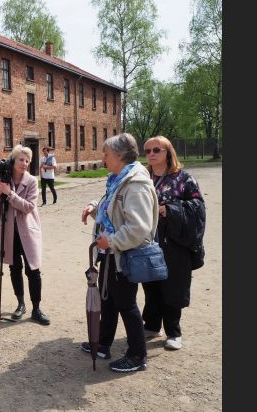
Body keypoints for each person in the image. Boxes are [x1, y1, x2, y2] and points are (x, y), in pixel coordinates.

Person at [80, 133, 158, 373]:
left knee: (125, 303)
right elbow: (113, 211)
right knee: (108, 300)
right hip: (111, 253)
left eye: (106, 154)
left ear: (120, 155)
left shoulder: (136, 184)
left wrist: (111, 241)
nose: (103, 158)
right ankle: (103, 343)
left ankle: (137, 355)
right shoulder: (119, 179)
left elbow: (139, 228)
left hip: (124, 254)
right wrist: (94, 207)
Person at [141, 136, 205, 350]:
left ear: (168, 153)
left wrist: (171, 210)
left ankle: (173, 332)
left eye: (156, 150)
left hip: (174, 242)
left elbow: (198, 207)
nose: (151, 154)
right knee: (150, 285)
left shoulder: (184, 179)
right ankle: (152, 325)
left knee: (172, 287)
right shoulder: (143, 178)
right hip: (148, 240)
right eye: (147, 150)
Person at [0, 144, 50, 325]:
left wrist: (10, 194)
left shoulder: (32, 181)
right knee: (14, 268)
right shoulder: (2, 179)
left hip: (27, 232)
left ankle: (36, 309)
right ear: (13, 161)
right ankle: (21, 304)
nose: (24, 163)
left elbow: (28, 207)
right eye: (21, 160)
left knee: (33, 270)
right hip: (9, 232)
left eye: (27, 160)